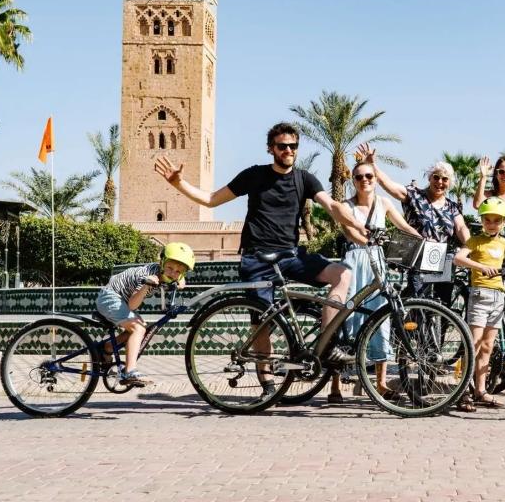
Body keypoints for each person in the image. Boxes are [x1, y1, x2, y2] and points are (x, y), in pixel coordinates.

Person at [154, 122, 366, 398]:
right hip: (257, 257)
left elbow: (334, 206)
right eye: (282, 146)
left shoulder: (304, 179)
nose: (288, 150)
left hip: (291, 255)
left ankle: (326, 346)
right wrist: (178, 183)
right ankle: (267, 384)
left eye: (293, 146)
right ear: (271, 149)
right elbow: (210, 199)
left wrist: (361, 231)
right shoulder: (254, 176)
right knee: (262, 321)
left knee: (342, 274)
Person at [327, 160, 421, 403]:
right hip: (352, 262)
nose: (365, 180)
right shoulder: (345, 206)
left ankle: (379, 383)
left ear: (375, 178)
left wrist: (425, 240)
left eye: (369, 175)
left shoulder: (383, 203)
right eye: (359, 177)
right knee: (345, 319)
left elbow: (405, 226)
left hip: (377, 263)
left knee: (381, 317)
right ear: (353, 181)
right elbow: (350, 232)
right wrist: (366, 239)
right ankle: (335, 385)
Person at [356, 142, 470, 306]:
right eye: (436, 177)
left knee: (442, 306)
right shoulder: (415, 195)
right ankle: (408, 329)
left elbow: (461, 227)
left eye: (445, 179)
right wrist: (372, 165)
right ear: (429, 177)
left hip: (443, 258)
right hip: (419, 257)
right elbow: (390, 185)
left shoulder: (451, 207)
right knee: (418, 301)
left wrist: (471, 244)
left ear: (449, 183)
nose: (439, 182)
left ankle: (439, 332)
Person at [95, 242, 195, 388]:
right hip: (110, 297)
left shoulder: (168, 273)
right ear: (161, 263)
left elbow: (179, 279)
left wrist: (180, 279)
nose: (173, 273)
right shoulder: (147, 276)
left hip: (121, 299)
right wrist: (146, 285)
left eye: (178, 271)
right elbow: (132, 305)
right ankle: (129, 371)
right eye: (169, 268)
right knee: (138, 329)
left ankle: (107, 348)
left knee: (142, 328)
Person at [454, 197, 505, 411]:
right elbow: (458, 258)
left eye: (497, 220)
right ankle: (463, 391)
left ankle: (481, 390)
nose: (492, 223)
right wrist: (479, 266)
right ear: (482, 220)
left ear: (503, 222)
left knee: (487, 347)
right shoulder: (475, 241)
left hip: (499, 295)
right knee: (474, 344)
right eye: (488, 219)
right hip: (479, 294)